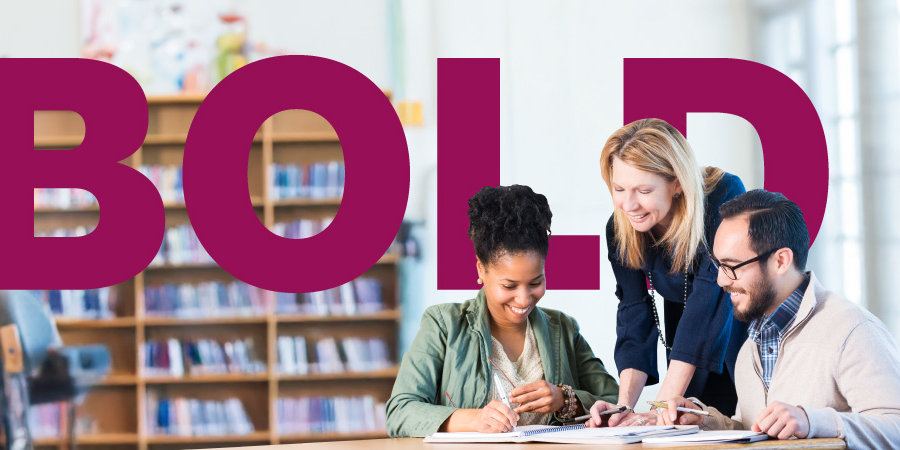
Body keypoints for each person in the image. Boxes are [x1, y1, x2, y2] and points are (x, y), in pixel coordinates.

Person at [659, 189, 900, 449]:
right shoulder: (750, 345)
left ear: (781, 261)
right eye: (718, 265)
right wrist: (705, 421)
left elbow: (895, 427)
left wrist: (812, 421)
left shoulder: (854, 331)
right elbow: (756, 431)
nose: (721, 280)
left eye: (731, 266)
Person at [385, 185, 619, 437]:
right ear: (480, 270)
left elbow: (617, 403)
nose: (524, 298)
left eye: (536, 282)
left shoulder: (563, 328)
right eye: (509, 286)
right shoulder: (444, 325)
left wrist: (566, 399)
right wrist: (474, 420)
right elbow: (400, 411)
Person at [589, 118, 746, 427]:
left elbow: (708, 302)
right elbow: (634, 316)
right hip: (685, 333)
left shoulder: (724, 195)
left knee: (738, 421)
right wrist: (623, 407)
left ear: (677, 183)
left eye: (643, 190)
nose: (628, 205)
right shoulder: (621, 228)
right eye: (619, 189)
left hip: (740, 325)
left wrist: (659, 407)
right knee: (683, 424)